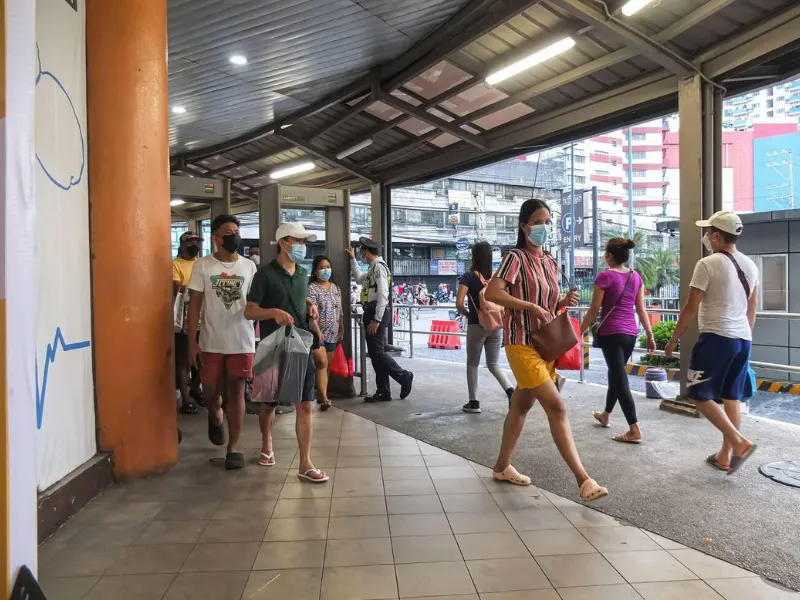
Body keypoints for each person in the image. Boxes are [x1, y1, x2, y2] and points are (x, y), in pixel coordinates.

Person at [485, 199, 608, 501]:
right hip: (521, 343)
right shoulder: (515, 258)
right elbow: (493, 292)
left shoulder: (550, 261)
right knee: (557, 406)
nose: (544, 227)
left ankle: (502, 466)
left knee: (521, 406)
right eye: (538, 222)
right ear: (524, 226)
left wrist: (563, 301)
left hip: (544, 345)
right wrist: (529, 305)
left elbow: (549, 305)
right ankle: (584, 479)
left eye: (547, 221)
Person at [665, 211, 758, 474]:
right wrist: (744, 337)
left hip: (716, 338)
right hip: (743, 339)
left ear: (717, 235)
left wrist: (674, 339)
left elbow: (690, 307)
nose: (706, 236)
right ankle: (725, 456)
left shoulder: (707, 264)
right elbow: (752, 309)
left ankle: (739, 443)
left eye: (708, 232)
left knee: (698, 394)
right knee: (731, 397)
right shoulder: (750, 265)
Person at [245, 222, 328, 482]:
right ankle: (267, 444)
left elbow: (297, 295)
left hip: (300, 347)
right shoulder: (264, 274)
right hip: (273, 346)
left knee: (304, 404)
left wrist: (310, 304)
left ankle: (305, 463)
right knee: (269, 404)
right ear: (283, 243)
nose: (302, 246)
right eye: (298, 241)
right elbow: (249, 310)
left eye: (304, 242)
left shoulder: (303, 274)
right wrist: (273, 313)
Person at [186, 215, 257, 470]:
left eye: (236, 230)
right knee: (211, 392)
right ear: (217, 238)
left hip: (242, 340)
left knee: (237, 391)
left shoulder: (249, 266)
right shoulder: (202, 266)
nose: (234, 235)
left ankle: (234, 447)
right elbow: (194, 306)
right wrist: (192, 342)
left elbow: (255, 302)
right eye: (228, 231)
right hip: (211, 341)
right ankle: (215, 414)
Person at [580, 238, 655, 443]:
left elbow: (594, 310)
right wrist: (650, 335)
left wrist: (578, 331)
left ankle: (634, 428)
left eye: (605, 253)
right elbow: (641, 309)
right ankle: (605, 414)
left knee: (619, 377)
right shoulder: (635, 276)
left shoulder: (605, 277)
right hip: (630, 334)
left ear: (610, 256)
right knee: (616, 372)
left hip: (611, 333)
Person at [347, 237, 413, 403]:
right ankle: (383, 391)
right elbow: (360, 279)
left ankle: (404, 376)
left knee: (378, 353)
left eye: (362, 253)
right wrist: (353, 260)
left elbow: (383, 294)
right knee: (376, 355)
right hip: (372, 311)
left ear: (367, 252)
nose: (362, 255)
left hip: (377, 312)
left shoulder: (378, 267)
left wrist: (377, 319)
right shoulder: (372, 268)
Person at [456, 241, 515, 413]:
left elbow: (459, 304)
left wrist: (468, 314)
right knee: (494, 364)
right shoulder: (496, 278)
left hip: (477, 324)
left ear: (474, 257)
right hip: (497, 325)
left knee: (472, 364)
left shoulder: (468, 277)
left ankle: (473, 402)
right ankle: (510, 391)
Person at [307, 255, 344, 411]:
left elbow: (340, 310)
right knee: (321, 362)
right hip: (318, 333)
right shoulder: (312, 288)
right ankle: (324, 398)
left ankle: (322, 393)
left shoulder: (335, 288)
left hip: (333, 333)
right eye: (322, 267)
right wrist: (316, 330)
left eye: (327, 266)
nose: (325, 270)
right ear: (315, 271)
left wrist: (341, 328)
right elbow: (311, 311)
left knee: (326, 365)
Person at [173, 232, 204, 415]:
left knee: (202, 359)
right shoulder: (175, 264)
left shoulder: (201, 264)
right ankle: (185, 399)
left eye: (197, 241)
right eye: (191, 241)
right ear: (183, 244)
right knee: (184, 360)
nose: (195, 245)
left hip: (203, 317)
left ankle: (196, 388)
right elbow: (178, 287)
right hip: (182, 319)